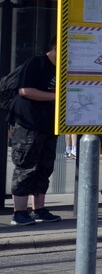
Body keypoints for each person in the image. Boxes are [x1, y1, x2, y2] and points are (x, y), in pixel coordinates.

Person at [8, 46, 62, 226]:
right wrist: (53, 96)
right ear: (57, 47)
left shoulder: (62, 68)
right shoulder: (37, 63)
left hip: (49, 126)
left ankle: (39, 209)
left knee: (44, 168)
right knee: (25, 167)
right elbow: (25, 90)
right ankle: (19, 212)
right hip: (28, 124)